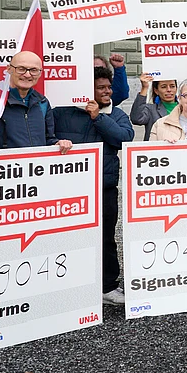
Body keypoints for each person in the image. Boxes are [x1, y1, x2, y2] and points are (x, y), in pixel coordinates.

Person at [53, 67, 135, 306]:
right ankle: (70, 285)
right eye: (101, 88)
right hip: (71, 188)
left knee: (106, 238)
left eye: (108, 87)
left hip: (104, 188)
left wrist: (98, 117)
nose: (107, 91)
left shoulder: (116, 114)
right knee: (69, 237)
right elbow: (48, 139)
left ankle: (108, 287)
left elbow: (124, 139)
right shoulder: (62, 113)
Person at [0, 51, 72, 162]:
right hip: (1, 177)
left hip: (36, 174)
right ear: (9, 69)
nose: (27, 74)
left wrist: (58, 144)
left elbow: (48, 139)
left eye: (34, 70)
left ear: (40, 73)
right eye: (21, 69)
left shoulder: (42, 102)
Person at [130, 74, 177, 141]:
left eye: (172, 86)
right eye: (164, 87)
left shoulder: (185, 109)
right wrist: (144, 88)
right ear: (156, 91)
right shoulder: (151, 109)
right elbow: (137, 119)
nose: (169, 90)